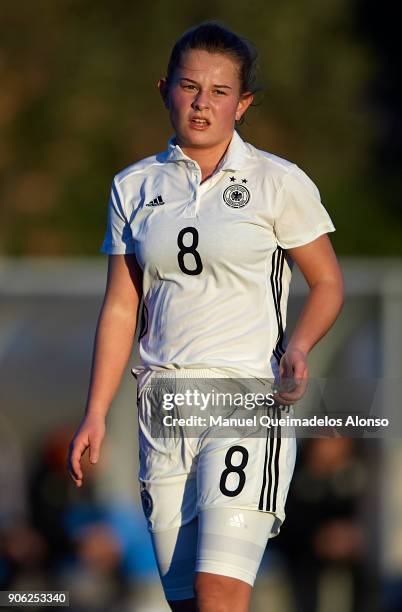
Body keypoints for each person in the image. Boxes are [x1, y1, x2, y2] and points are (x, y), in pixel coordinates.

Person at [67, 21, 344, 612]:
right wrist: (94, 412)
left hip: (246, 398)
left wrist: (297, 347)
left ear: (242, 104)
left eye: (220, 92)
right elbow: (122, 306)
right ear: (165, 89)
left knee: (220, 595)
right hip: (163, 410)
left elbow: (326, 283)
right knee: (190, 603)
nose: (202, 103)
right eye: (190, 87)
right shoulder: (134, 187)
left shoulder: (277, 181)